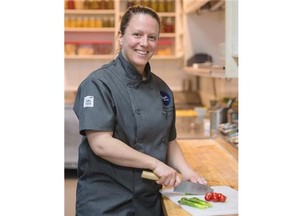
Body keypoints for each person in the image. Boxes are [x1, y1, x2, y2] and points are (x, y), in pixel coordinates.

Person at [73, 5, 207, 216]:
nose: (144, 43)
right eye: (137, 34)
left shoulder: (163, 89)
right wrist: (155, 164)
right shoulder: (99, 83)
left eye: (152, 37)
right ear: (120, 36)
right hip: (106, 203)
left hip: (148, 203)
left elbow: (169, 141)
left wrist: (187, 171)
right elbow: (101, 144)